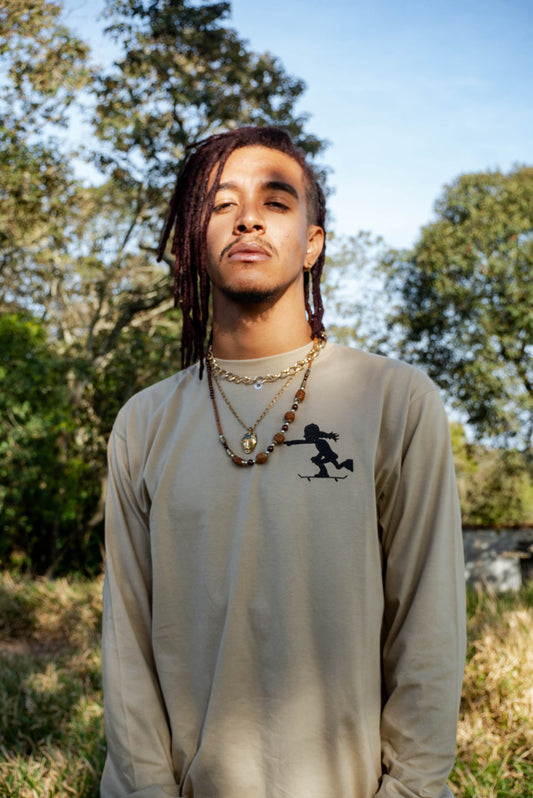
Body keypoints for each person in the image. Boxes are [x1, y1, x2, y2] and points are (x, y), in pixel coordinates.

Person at [101, 126, 466, 798]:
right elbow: (127, 644)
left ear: (312, 242)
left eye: (275, 202)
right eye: (221, 204)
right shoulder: (143, 424)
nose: (247, 218)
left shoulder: (394, 400)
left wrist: (411, 789)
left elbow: (428, 624)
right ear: (195, 240)